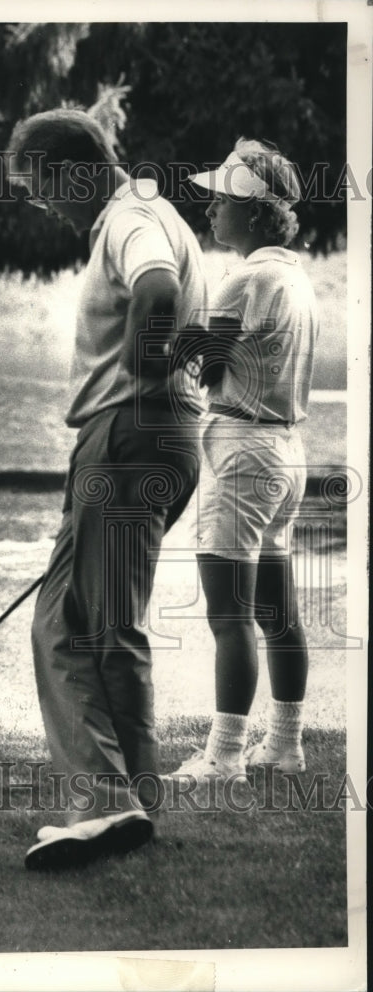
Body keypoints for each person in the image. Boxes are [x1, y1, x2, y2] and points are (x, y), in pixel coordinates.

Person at [4, 109, 208, 868]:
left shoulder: (133, 216)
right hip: (141, 437)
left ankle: (109, 804)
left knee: (90, 625)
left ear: (73, 170)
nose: (42, 205)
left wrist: (142, 377)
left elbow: (156, 292)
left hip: (129, 433)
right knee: (75, 621)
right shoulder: (143, 215)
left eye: (38, 188)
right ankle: (127, 804)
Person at [168, 138, 318, 785]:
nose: (209, 213)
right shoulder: (295, 278)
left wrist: (175, 341)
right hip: (287, 454)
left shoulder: (246, 277)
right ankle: (285, 745)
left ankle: (224, 757)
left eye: (221, 202)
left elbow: (203, 363)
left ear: (254, 214)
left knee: (229, 617)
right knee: (278, 615)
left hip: (244, 453)